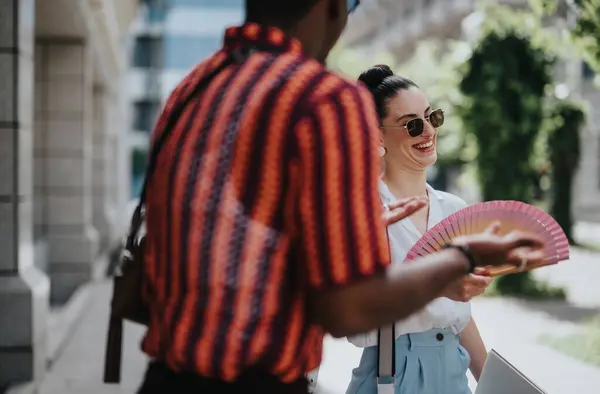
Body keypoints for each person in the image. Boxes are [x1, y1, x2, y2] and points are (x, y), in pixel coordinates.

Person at [137, 1, 546, 393]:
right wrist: (463, 258)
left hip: (164, 377)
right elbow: (345, 307)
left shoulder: (191, 88)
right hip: (257, 381)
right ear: (331, 6)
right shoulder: (322, 99)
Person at [344, 65, 491, 394]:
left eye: (431, 117)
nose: (427, 131)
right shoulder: (366, 214)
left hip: (455, 373)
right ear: (377, 135)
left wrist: (490, 380)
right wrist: (436, 285)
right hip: (392, 377)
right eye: (411, 124)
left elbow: (459, 317)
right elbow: (359, 327)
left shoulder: (454, 210)